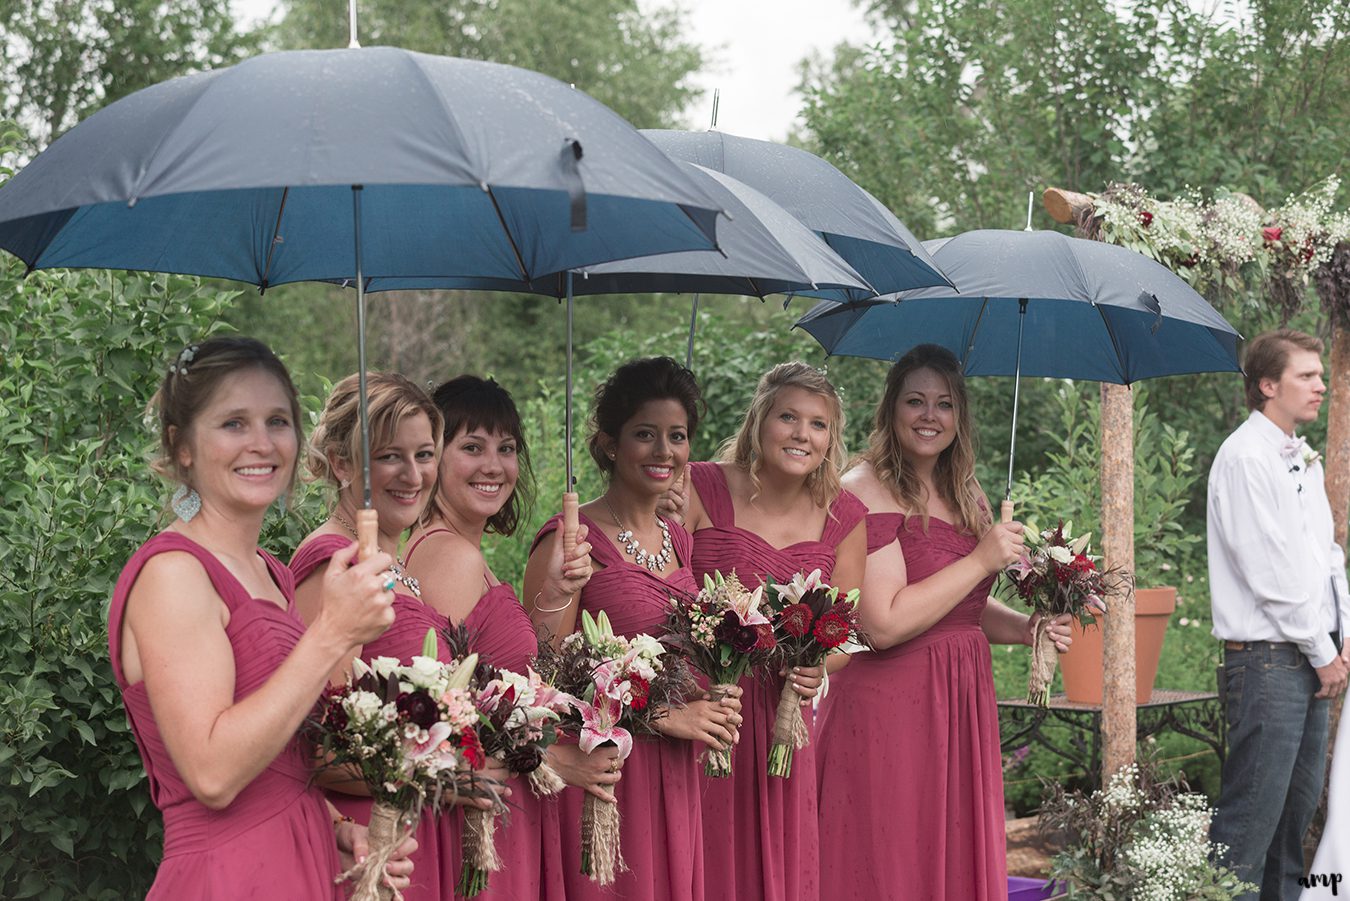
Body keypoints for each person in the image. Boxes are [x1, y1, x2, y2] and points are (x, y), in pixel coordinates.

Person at [108, 337, 416, 898]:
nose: (262, 443)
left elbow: (276, 767)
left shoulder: (270, 573)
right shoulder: (173, 574)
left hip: (303, 863)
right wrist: (332, 634)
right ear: (181, 446)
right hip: (227, 876)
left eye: (278, 421)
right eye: (233, 423)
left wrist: (341, 829)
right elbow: (212, 775)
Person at [814, 344, 1072, 901]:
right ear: (890, 410)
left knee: (947, 860)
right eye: (916, 401)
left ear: (961, 416)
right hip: (890, 705)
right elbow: (881, 623)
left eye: (945, 403)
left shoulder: (968, 492)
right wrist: (981, 559)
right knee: (890, 861)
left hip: (960, 701)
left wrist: (1029, 627)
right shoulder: (864, 488)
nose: (930, 416)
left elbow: (964, 613)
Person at [524, 356, 742, 901]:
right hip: (608, 772)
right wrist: (667, 714)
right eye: (646, 434)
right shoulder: (572, 540)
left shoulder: (679, 538)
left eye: (678, 436)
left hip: (677, 769)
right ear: (611, 443)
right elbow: (540, 676)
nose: (664, 451)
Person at [291, 371, 486, 900]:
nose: (412, 473)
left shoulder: (392, 562)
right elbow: (316, 747)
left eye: (424, 454)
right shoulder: (334, 564)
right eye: (389, 455)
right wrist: (449, 774)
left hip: (413, 824)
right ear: (342, 462)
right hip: (367, 838)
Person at [679, 361, 865, 901]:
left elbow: (846, 637)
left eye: (818, 424)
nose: (801, 434)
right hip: (704, 704)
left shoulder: (845, 517)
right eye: (788, 416)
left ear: (832, 439)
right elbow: (661, 581)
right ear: (760, 419)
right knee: (702, 856)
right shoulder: (700, 485)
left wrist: (815, 668)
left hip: (783, 723)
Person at [402, 374, 592, 900]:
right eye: (472, 447)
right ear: (431, 457)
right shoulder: (449, 557)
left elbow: (509, 681)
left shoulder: (464, 552)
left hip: (502, 801)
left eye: (506, 448)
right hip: (479, 817)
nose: (494, 466)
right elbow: (459, 720)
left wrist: (555, 589)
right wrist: (557, 759)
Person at [1207, 329, 1350, 901]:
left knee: (1291, 829)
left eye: (1320, 375)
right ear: (1267, 385)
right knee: (1247, 829)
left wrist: (1341, 638)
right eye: (1307, 376)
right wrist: (1323, 655)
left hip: (1311, 656)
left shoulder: (1302, 459)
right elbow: (1271, 575)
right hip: (1269, 664)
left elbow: (1325, 557)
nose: (1321, 386)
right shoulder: (1245, 458)